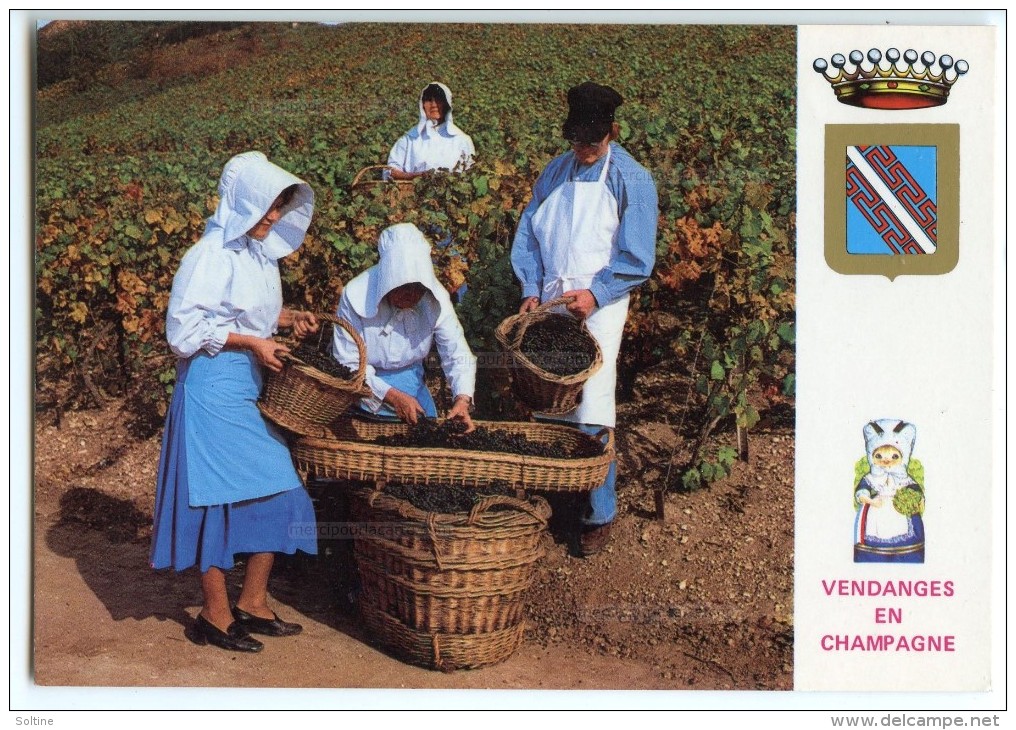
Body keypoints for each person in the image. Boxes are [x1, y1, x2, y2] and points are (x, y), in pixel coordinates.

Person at [150, 151, 320, 653]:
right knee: (212, 499)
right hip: (210, 387)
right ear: (243, 203)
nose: (273, 217)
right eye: (266, 207)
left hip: (245, 385)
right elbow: (182, 331)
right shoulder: (209, 254)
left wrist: (288, 321)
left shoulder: (256, 254)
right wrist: (253, 343)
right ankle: (215, 613)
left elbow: (247, 313)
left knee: (282, 489)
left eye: (280, 207)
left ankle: (253, 601)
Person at [510, 82, 658, 557]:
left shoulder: (631, 179)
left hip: (601, 305)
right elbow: (529, 234)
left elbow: (637, 258)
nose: (584, 150)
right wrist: (532, 289)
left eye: (592, 142)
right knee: (544, 395)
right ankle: (552, 497)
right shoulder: (555, 172)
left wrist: (595, 295)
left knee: (592, 403)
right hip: (553, 299)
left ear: (611, 132)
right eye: (576, 141)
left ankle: (599, 511)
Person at [331, 222, 476, 428]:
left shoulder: (436, 299)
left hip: (413, 385)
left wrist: (462, 399)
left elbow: (456, 352)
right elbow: (348, 363)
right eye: (403, 286)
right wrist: (391, 396)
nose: (412, 294)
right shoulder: (355, 295)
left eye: (418, 287)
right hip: (362, 389)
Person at [853, 419, 925, 563]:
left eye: (894, 457)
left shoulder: (905, 479)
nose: (886, 461)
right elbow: (862, 491)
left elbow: (916, 492)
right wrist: (870, 501)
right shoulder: (871, 478)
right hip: (876, 507)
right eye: (879, 456)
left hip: (901, 510)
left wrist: (916, 499)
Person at [386, 82, 475, 180]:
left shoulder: (462, 140)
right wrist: (414, 176)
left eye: (438, 100)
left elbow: (470, 175)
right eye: (429, 100)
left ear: (447, 104)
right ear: (422, 105)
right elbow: (390, 170)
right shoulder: (410, 139)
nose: (434, 105)